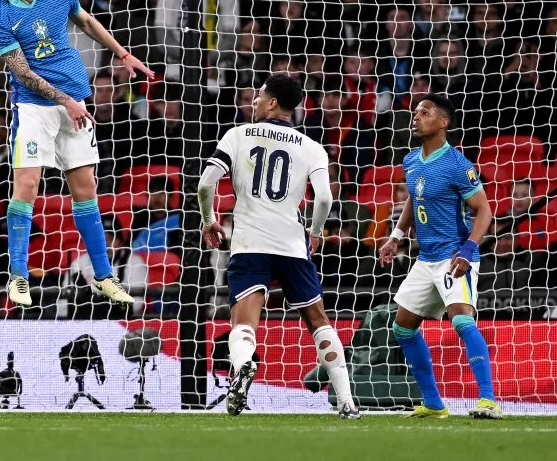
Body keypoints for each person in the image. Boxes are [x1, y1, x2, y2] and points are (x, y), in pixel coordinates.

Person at [0, 0, 154, 307]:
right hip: (35, 108)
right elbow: (24, 74)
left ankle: (105, 276)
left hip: (75, 101)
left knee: (85, 189)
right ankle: (17, 276)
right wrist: (63, 101)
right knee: (27, 185)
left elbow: (87, 21)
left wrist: (123, 54)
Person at [197, 72, 361, 419]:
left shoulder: (237, 135)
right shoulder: (312, 146)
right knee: (318, 320)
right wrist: (315, 232)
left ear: (272, 102)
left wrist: (209, 218)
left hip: (249, 242)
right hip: (291, 243)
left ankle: (242, 369)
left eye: (258, 96)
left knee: (243, 321)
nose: (253, 101)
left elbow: (206, 183)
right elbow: (325, 198)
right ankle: (346, 400)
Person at [378, 93, 500, 419]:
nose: (416, 117)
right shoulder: (411, 161)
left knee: (461, 319)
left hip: (454, 255)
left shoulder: (458, 164)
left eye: (425, 112)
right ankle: (433, 404)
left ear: (443, 122)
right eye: (415, 112)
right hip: (425, 257)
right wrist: (396, 237)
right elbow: (413, 200)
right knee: (402, 328)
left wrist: (468, 250)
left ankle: (487, 400)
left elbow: (484, 211)